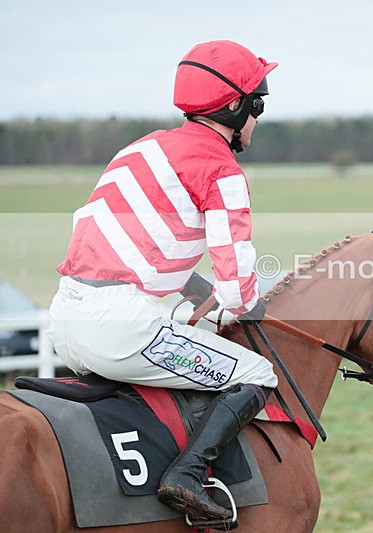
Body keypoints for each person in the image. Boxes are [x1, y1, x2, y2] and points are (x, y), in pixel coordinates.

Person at [47, 40, 278, 524]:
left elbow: (128, 249)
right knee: (257, 374)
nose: (259, 116)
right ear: (239, 107)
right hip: (120, 329)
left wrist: (195, 296)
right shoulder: (222, 170)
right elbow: (239, 293)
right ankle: (186, 476)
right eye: (260, 103)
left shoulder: (144, 147)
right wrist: (228, 305)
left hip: (65, 321)